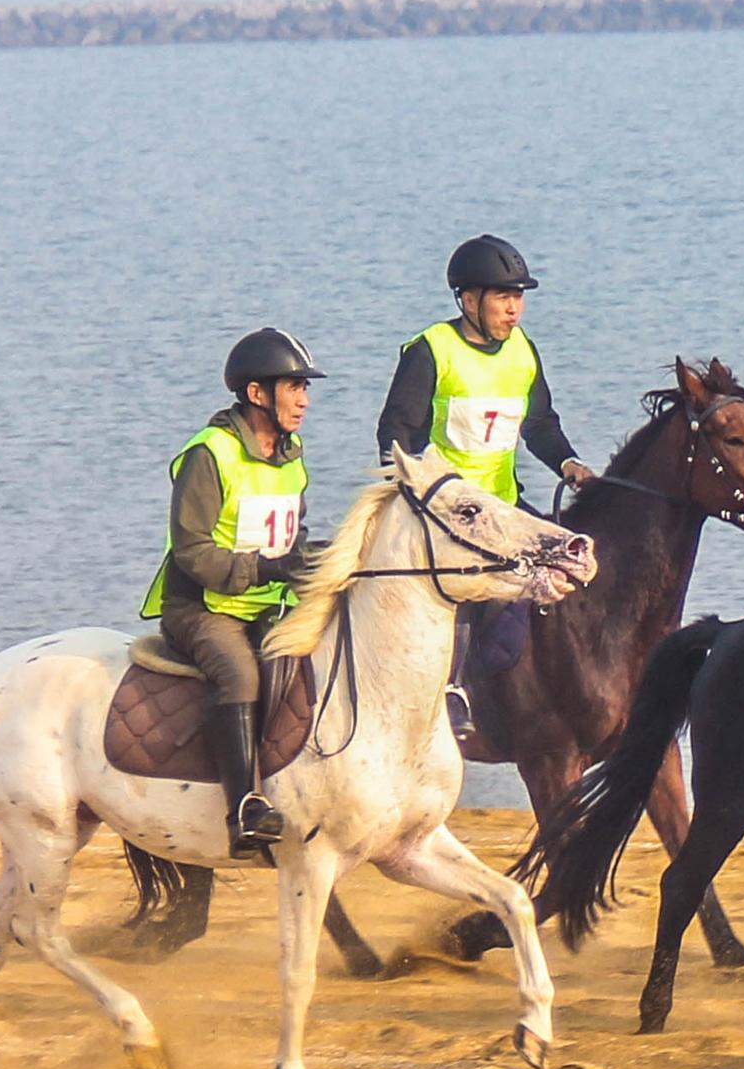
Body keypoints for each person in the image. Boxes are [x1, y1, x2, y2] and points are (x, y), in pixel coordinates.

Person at [377, 234, 595, 735]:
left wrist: (568, 463)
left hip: (504, 506)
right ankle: (448, 691)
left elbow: (539, 425)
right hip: (447, 515)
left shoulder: (522, 353)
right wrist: (421, 498)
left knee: (572, 560)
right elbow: (395, 432)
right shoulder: (432, 350)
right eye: (503, 297)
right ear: (468, 300)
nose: (514, 309)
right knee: (470, 596)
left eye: (519, 297)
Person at [141, 328, 327, 859]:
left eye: (305, 389)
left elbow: (294, 532)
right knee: (240, 670)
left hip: (268, 604)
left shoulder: (291, 456)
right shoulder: (210, 455)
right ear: (256, 394)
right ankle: (244, 806)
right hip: (201, 607)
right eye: (294, 387)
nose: (305, 400)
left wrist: (311, 564)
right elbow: (192, 550)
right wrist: (266, 569)